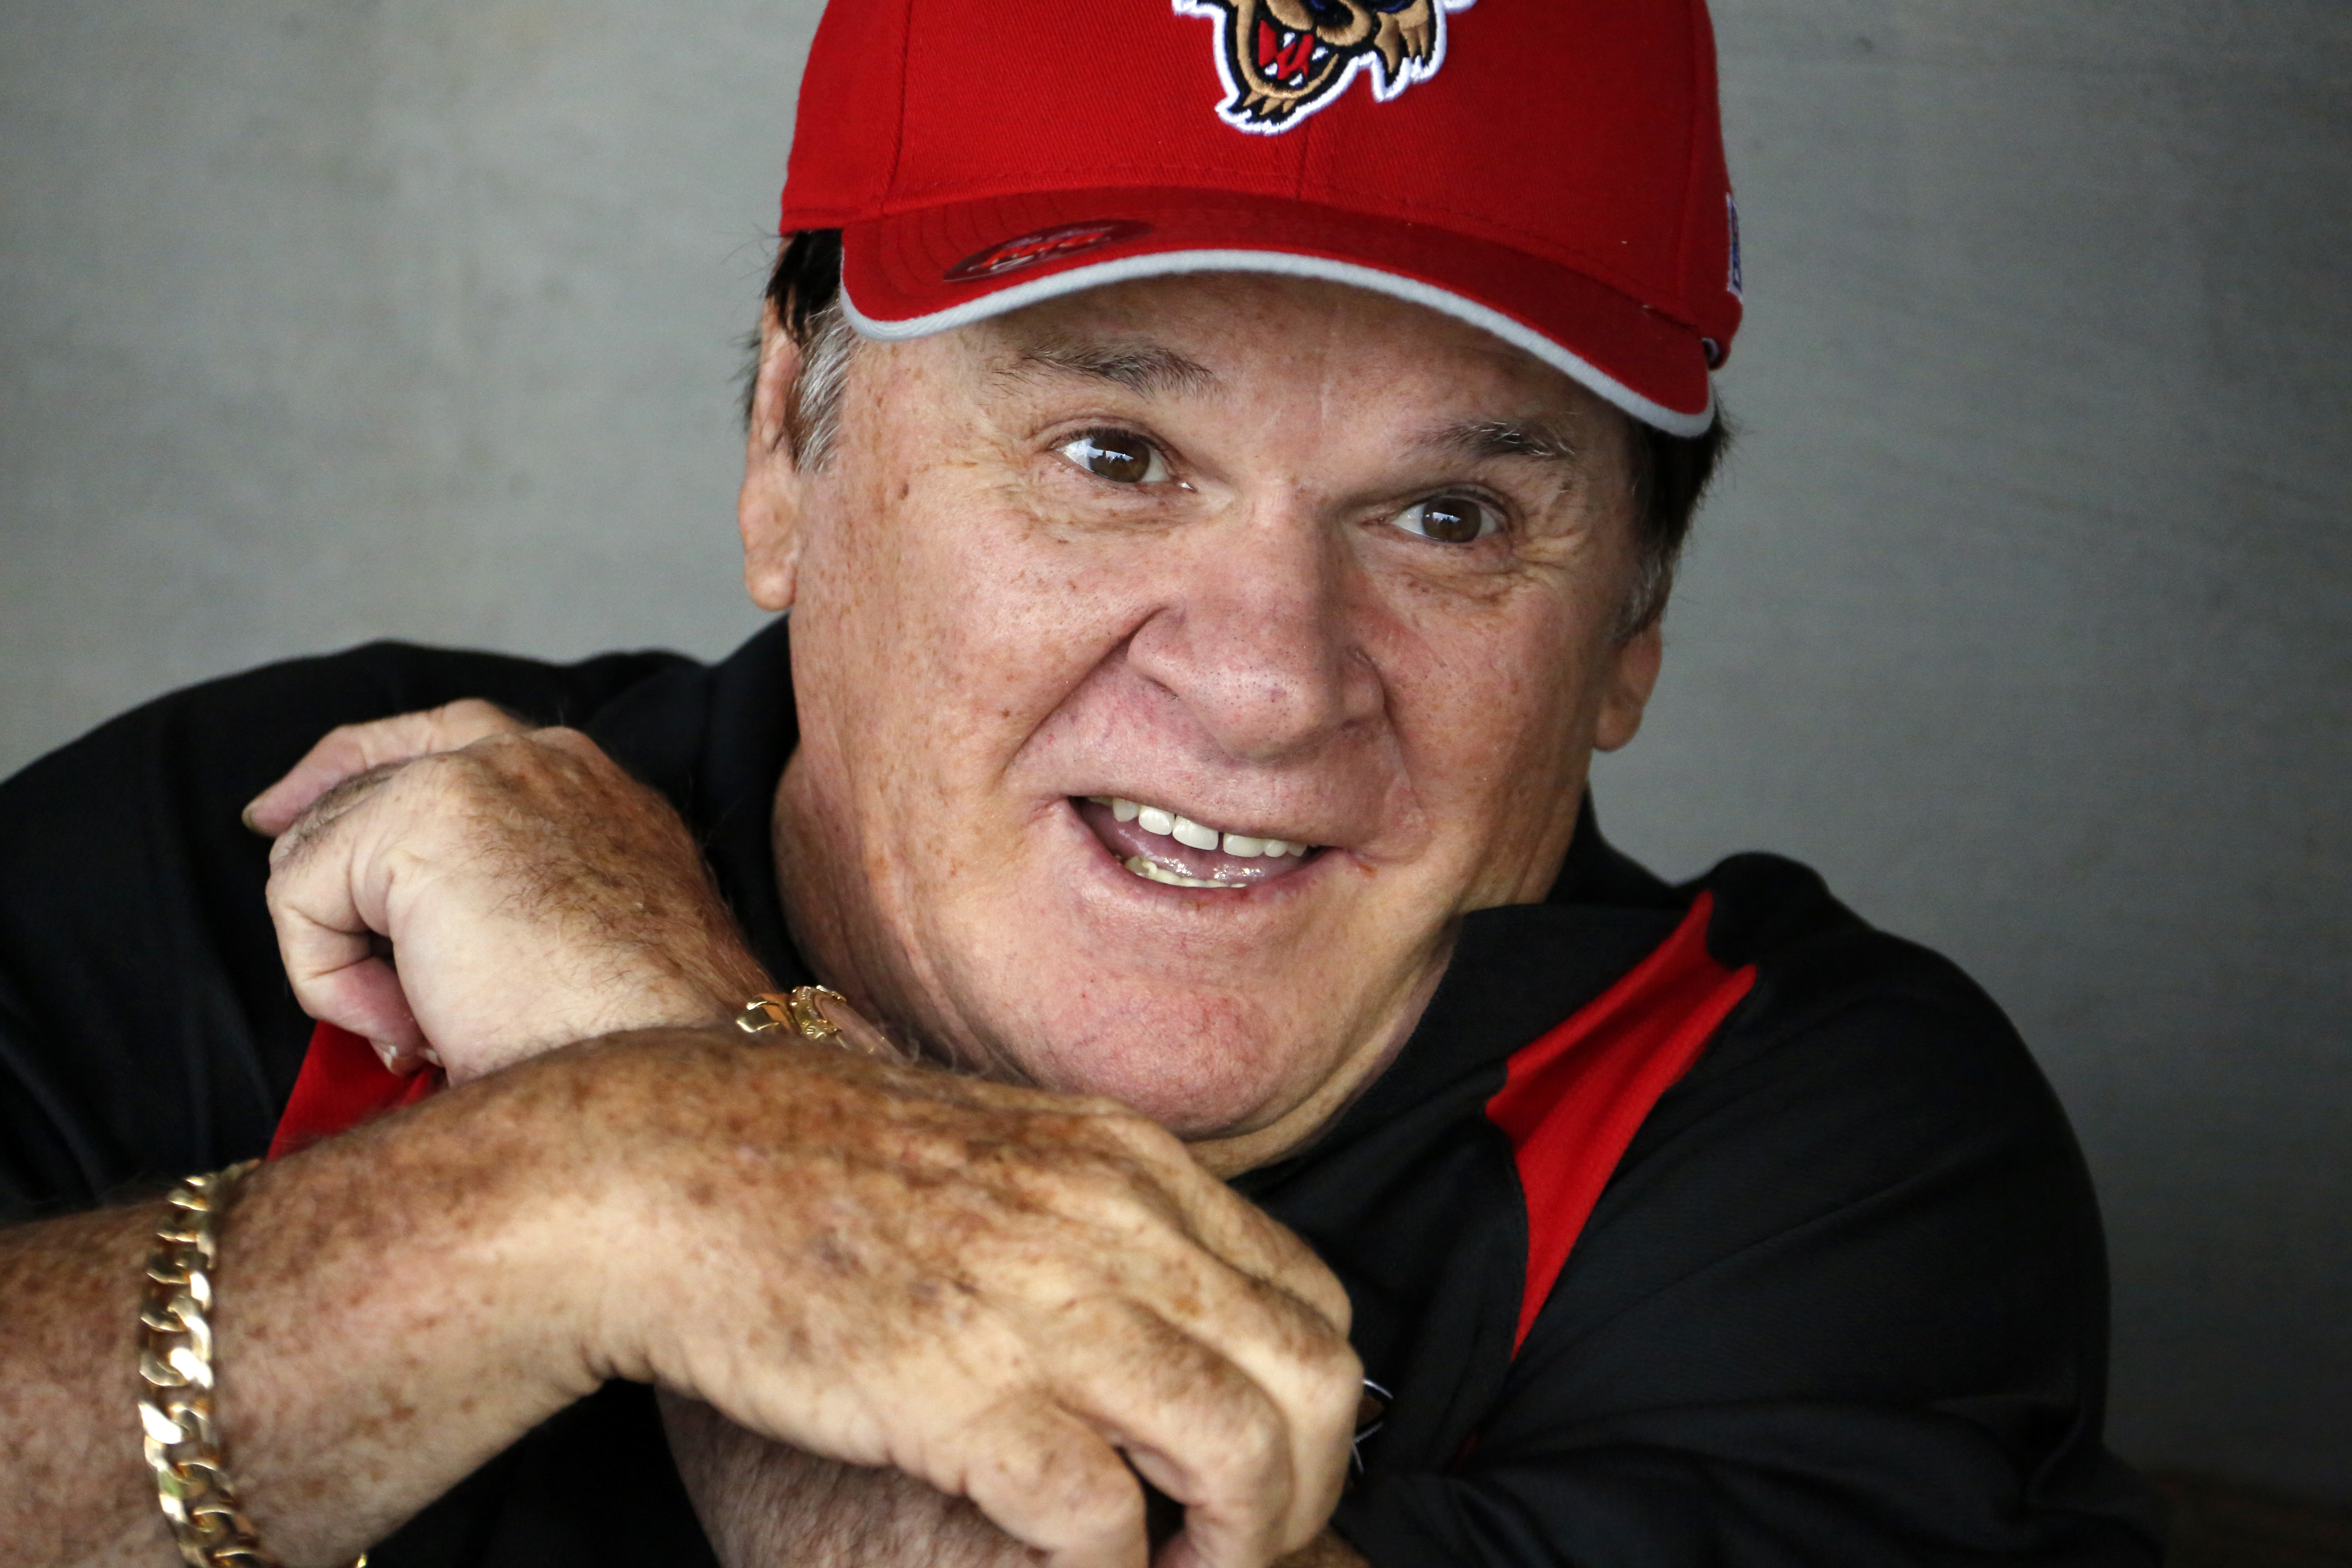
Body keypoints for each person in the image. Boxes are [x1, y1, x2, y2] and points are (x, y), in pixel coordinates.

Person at [0, 0, 2164, 1564]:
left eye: (1446, 521)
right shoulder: (317, 841)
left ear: (1633, 628)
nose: (1262, 686)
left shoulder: (1799, 1168)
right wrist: (543, 1213)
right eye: (1115, 457)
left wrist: (674, 1115)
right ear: (785, 452)